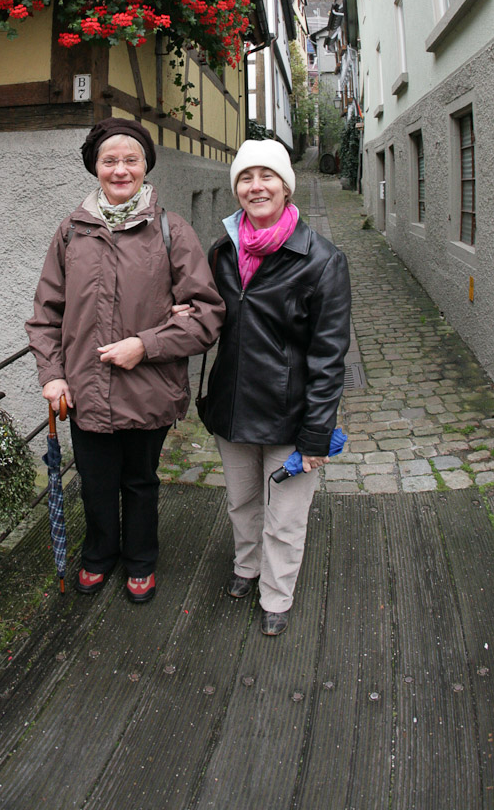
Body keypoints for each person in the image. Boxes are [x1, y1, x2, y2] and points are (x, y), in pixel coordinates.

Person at [26, 118, 225, 604]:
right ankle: (99, 555)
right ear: (95, 167)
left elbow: (207, 315)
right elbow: (46, 314)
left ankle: (140, 561)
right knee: (95, 482)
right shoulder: (71, 232)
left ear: (145, 166)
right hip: (85, 389)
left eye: (130, 160)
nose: (121, 170)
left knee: (140, 482)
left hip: (149, 389)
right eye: (110, 160)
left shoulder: (171, 231)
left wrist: (145, 344)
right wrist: (52, 376)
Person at [202, 139, 350, 636]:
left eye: (267, 176)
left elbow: (329, 358)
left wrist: (317, 434)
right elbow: (209, 317)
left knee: (285, 517)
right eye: (246, 178)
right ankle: (247, 568)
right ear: (236, 189)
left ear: (286, 186)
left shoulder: (322, 260)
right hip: (233, 406)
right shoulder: (223, 251)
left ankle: (276, 594)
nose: (256, 186)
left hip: (290, 415)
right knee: (242, 503)